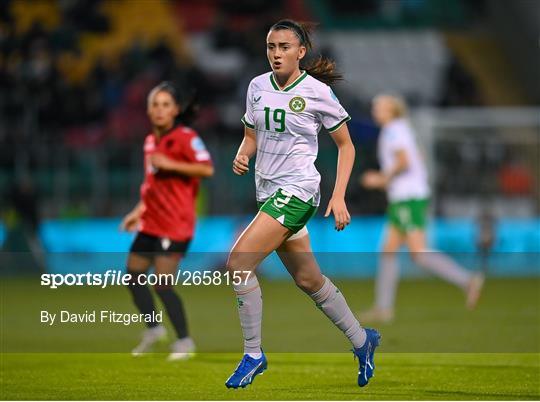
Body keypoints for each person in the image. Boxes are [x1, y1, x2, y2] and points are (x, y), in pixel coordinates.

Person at [224, 19, 380, 389]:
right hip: (268, 192)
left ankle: (253, 354)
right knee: (309, 279)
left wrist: (339, 195)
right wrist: (243, 154)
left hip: (297, 191)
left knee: (238, 263)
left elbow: (346, 145)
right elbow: (251, 135)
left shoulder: (315, 92)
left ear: (301, 51)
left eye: (283, 47)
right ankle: (363, 340)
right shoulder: (257, 86)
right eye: (271, 47)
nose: (276, 54)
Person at [359, 94, 484, 323]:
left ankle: (467, 280)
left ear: (392, 110)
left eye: (380, 106)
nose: (375, 110)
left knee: (420, 254)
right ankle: (383, 308)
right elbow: (418, 157)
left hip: (408, 198)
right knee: (388, 250)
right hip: (406, 197)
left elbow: (404, 160)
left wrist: (381, 179)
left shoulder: (394, 130)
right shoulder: (399, 129)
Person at [120, 82, 213, 360]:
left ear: (175, 109)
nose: (160, 110)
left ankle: (184, 342)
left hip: (175, 224)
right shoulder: (150, 141)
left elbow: (206, 168)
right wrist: (138, 211)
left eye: (165, 104)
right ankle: (154, 329)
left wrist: (171, 164)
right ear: (148, 110)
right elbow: (151, 184)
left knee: (162, 284)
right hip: (151, 221)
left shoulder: (185, 137)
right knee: (133, 275)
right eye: (155, 105)